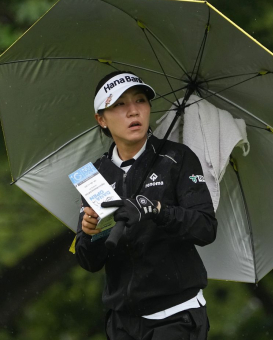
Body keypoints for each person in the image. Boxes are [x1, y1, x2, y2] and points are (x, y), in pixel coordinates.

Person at [74, 70, 217, 340]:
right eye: (119, 104)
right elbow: (89, 261)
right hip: (121, 322)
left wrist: (156, 210)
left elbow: (206, 228)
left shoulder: (178, 158)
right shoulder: (93, 176)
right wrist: (91, 233)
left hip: (175, 315)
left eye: (140, 100)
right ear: (101, 120)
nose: (133, 111)